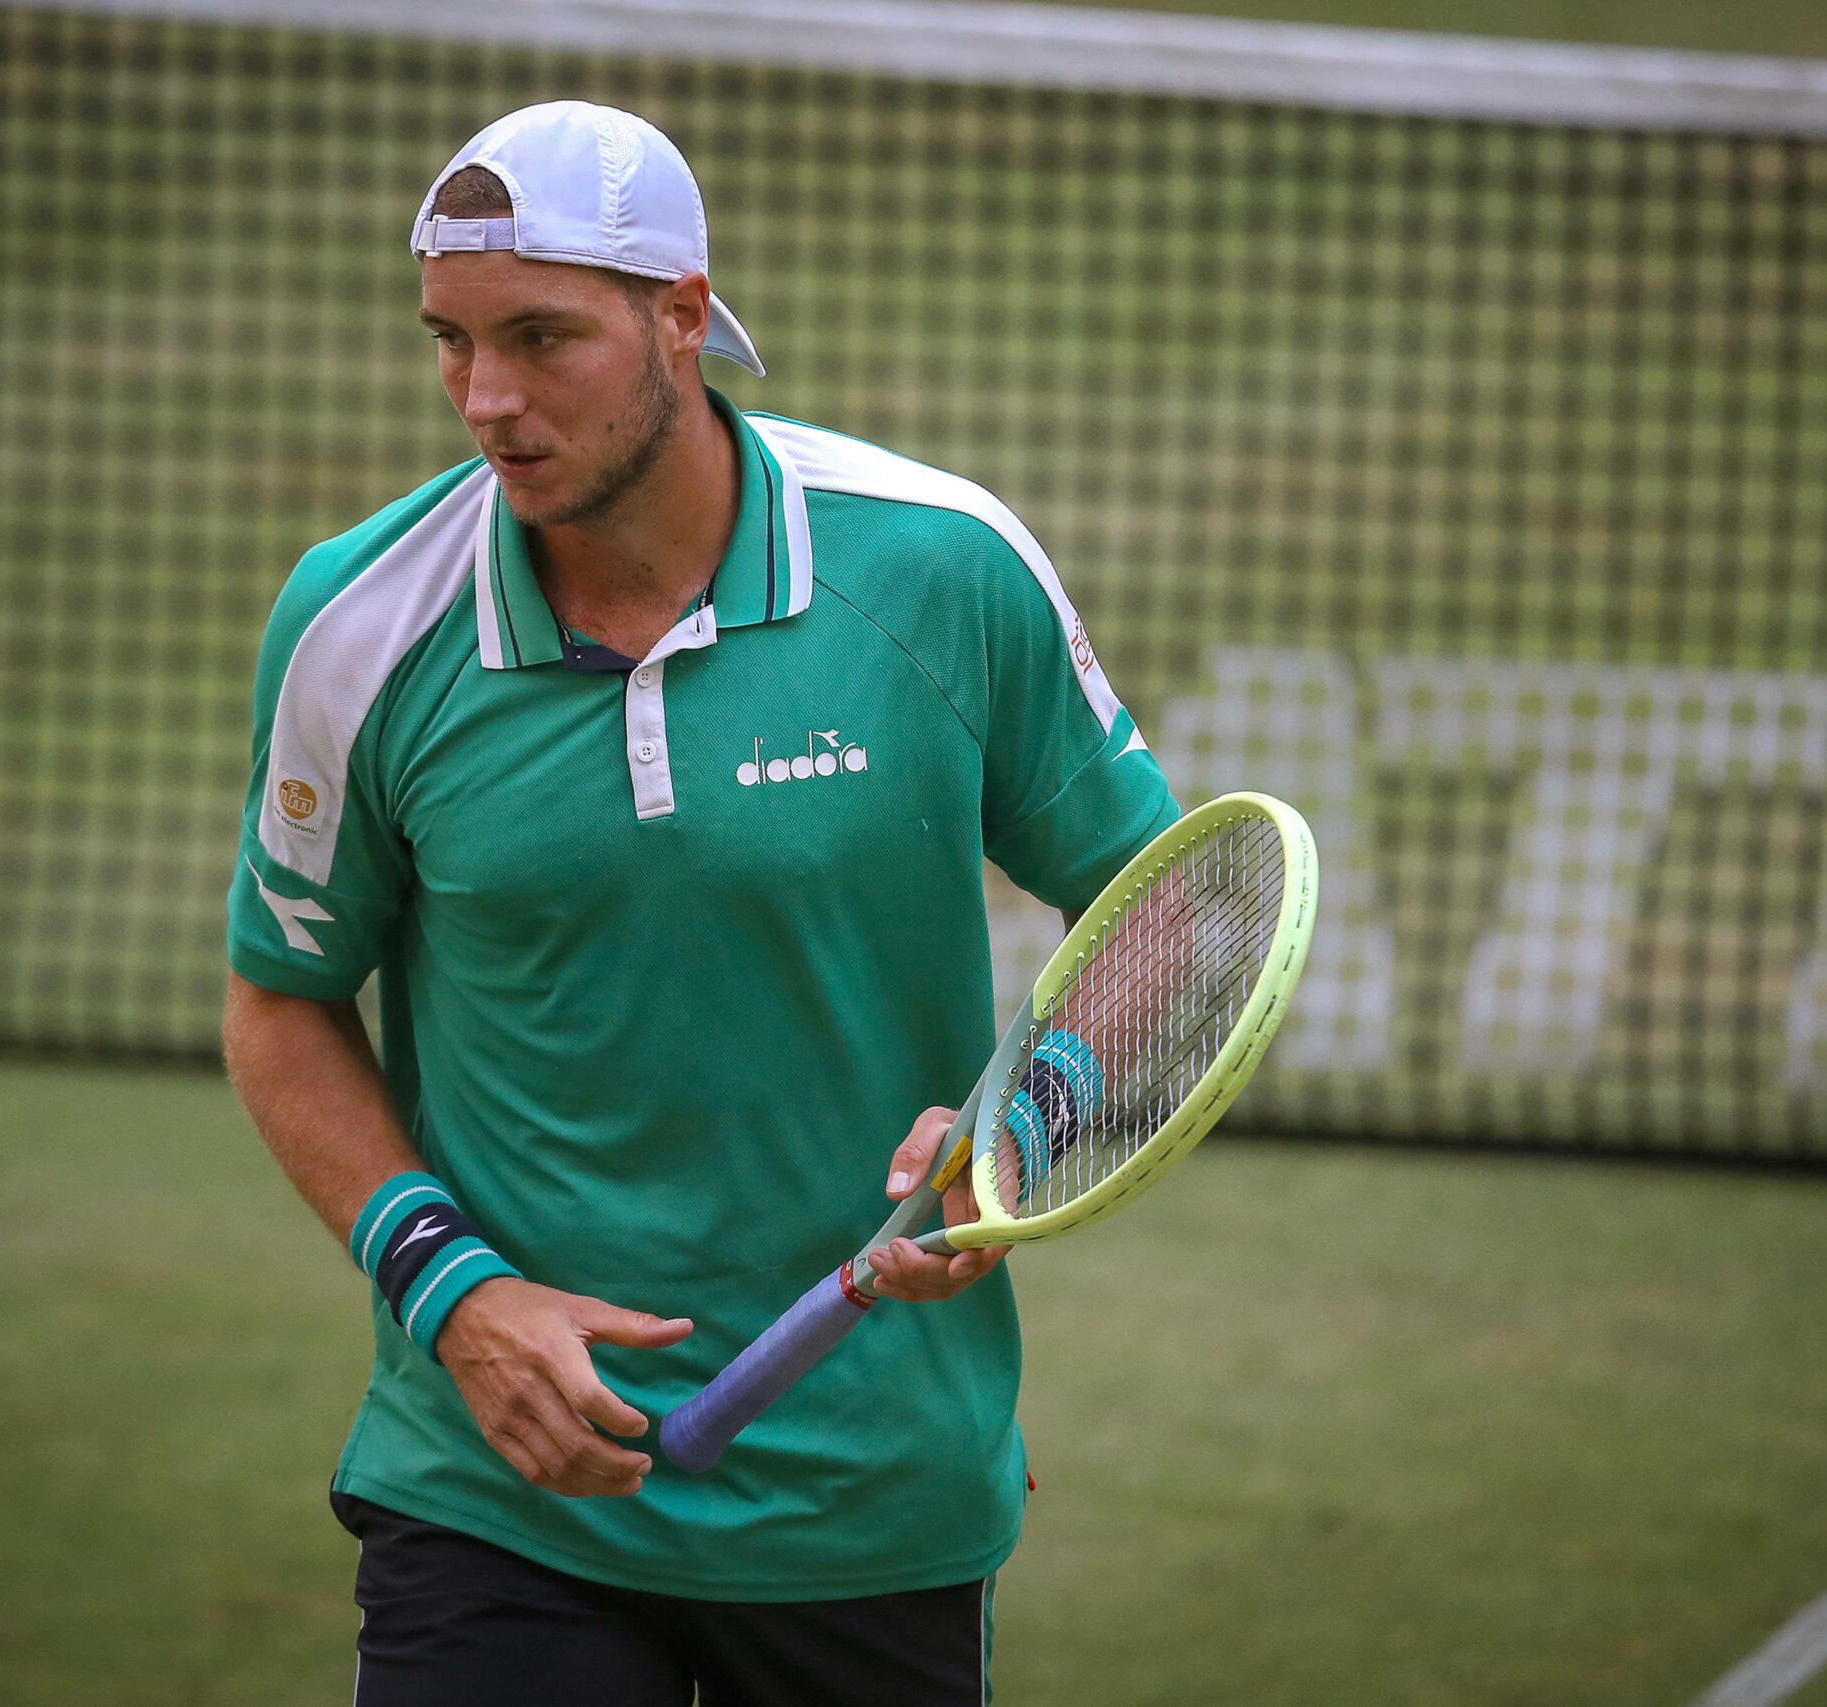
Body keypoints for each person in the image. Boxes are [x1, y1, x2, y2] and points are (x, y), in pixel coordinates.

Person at [221, 100, 1179, 1704]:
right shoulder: (359, 624)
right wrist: (450, 1292)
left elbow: (1160, 908)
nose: (489, 401)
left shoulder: (940, 569)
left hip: (873, 1504)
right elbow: (281, 995)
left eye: (543, 338)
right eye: (451, 342)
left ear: (682, 318)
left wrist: (1033, 1119)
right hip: (498, 1490)